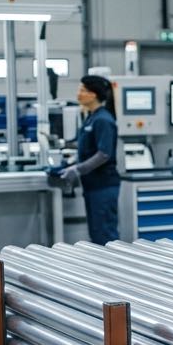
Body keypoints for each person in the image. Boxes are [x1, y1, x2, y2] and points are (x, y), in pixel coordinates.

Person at [63, 74, 121, 245]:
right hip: (93, 185)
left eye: (82, 90)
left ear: (93, 95)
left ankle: (111, 262)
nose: (78, 94)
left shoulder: (103, 119)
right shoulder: (92, 117)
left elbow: (104, 154)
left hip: (103, 186)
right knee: (96, 233)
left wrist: (77, 169)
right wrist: (72, 161)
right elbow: (88, 148)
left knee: (105, 235)